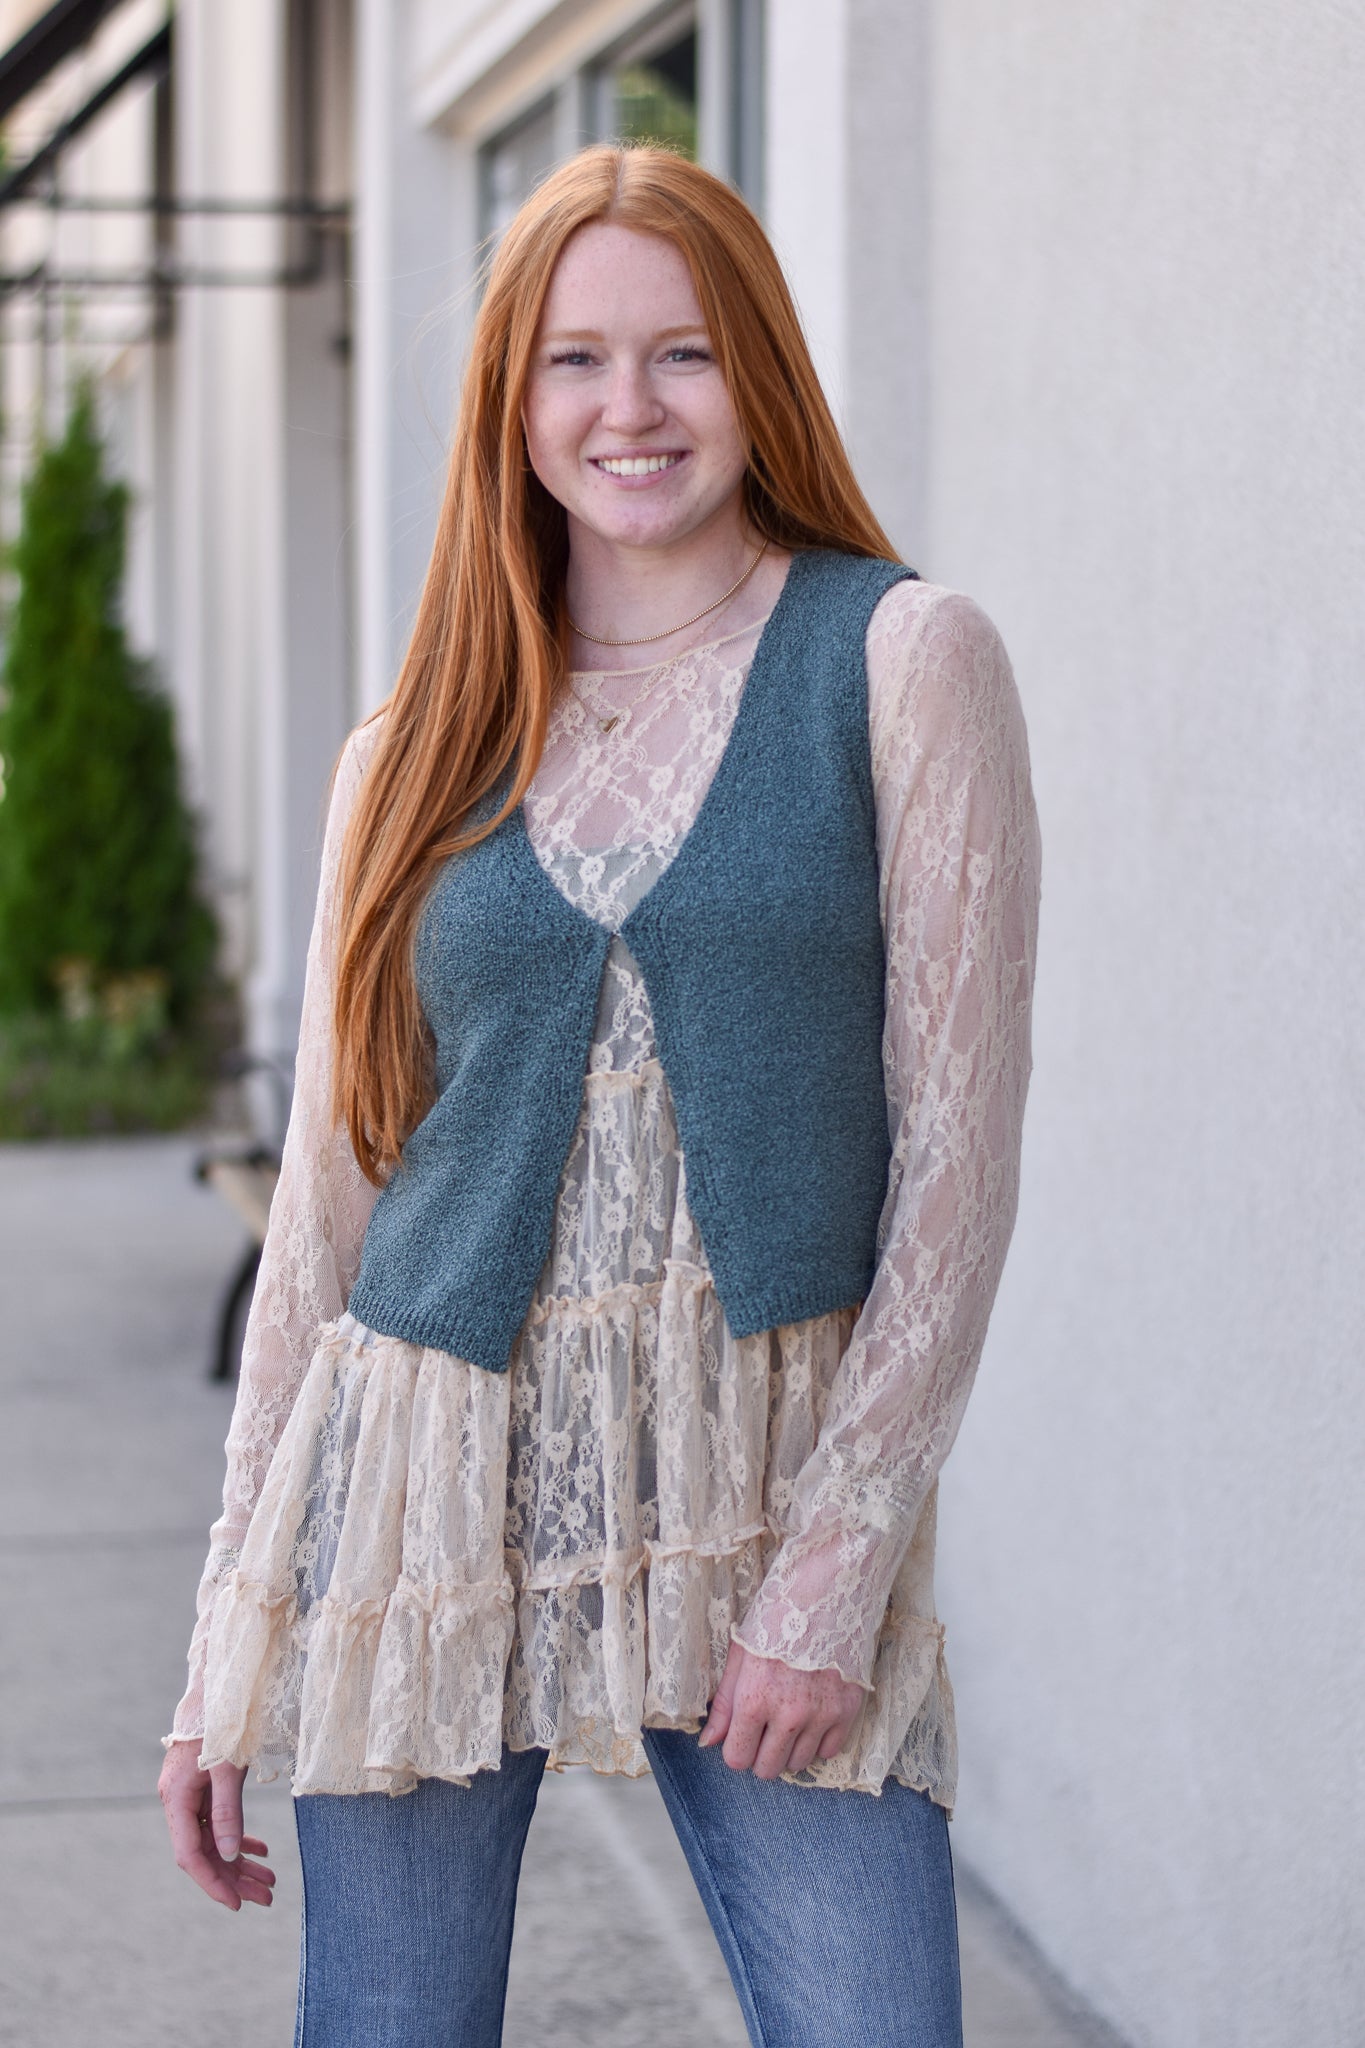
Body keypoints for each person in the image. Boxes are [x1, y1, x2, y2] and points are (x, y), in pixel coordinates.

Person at [159, 143, 1041, 2048]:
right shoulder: (408, 743)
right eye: (574, 360)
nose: (628, 408)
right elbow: (328, 1208)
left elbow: (958, 1167)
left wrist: (838, 1566)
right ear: (512, 397)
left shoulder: (900, 661)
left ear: (761, 374)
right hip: (422, 1494)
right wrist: (228, 1632)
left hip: (759, 1493)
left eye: (683, 353)